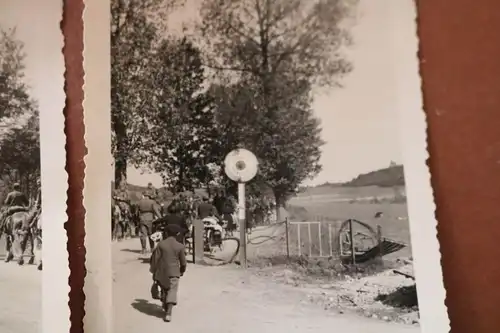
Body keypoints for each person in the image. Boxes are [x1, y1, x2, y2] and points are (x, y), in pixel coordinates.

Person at [149, 223, 187, 323]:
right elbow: (183, 262)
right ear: (178, 233)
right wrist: (182, 270)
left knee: (164, 289)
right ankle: (168, 313)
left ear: (166, 233)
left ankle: (165, 303)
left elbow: (155, 259)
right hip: (174, 272)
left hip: (162, 271)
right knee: (172, 291)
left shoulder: (161, 244)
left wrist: (153, 271)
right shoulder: (180, 246)